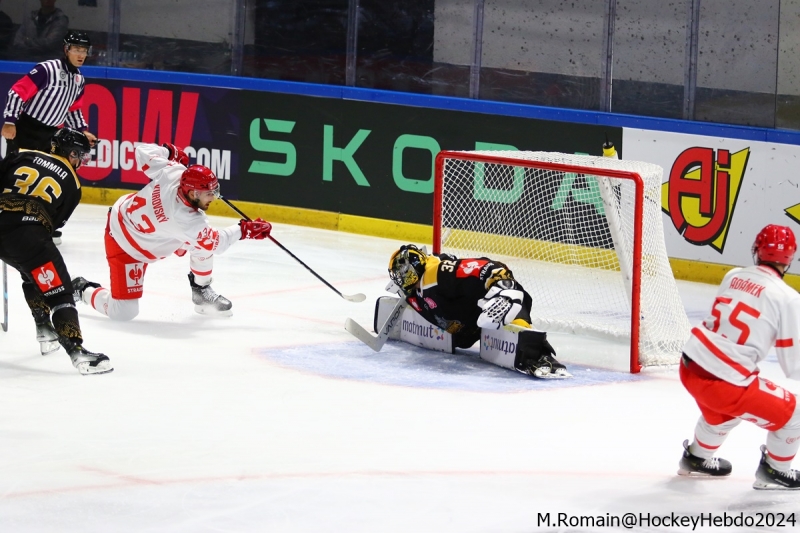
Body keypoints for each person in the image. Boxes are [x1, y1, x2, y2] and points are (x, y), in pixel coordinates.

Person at [72, 142, 273, 321]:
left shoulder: (174, 172)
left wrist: (170, 152)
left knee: (201, 241)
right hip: (125, 243)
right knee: (123, 312)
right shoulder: (186, 219)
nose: (214, 197)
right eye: (210, 193)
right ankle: (82, 289)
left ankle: (201, 291)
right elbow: (215, 243)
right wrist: (243, 230)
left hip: (149, 230)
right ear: (193, 193)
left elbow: (142, 151)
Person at [677, 224, 800, 490]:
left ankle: (697, 458)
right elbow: (792, 365)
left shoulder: (733, 275)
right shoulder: (788, 297)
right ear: (790, 259)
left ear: (756, 250)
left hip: (690, 366)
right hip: (724, 382)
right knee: (796, 414)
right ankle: (776, 471)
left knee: (724, 414)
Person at [0, 128, 112, 375]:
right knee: (59, 291)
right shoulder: (73, 183)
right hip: (28, 237)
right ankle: (77, 351)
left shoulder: (22, 154)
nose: (81, 162)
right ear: (71, 153)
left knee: (30, 272)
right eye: (80, 156)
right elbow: (54, 223)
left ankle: (44, 327)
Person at [387, 244, 571, 379]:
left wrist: (503, 288)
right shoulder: (414, 291)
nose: (400, 277)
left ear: (414, 266)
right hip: (471, 324)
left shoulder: (436, 272)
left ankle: (539, 354)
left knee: (509, 308)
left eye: (402, 271)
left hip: (490, 304)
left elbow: (487, 267)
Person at [3, 29, 97, 245]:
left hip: (51, 135)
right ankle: (6, 218)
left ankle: (41, 222)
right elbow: (17, 92)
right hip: (26, 129)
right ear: (66, 49)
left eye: (84, 50)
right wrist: (9, 121)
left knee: (46, 178)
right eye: (76, 49)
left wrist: (83, 131)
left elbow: (73, 110)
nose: (81, 54)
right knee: (15, 175)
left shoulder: (79, 79)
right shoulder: (47, 69)